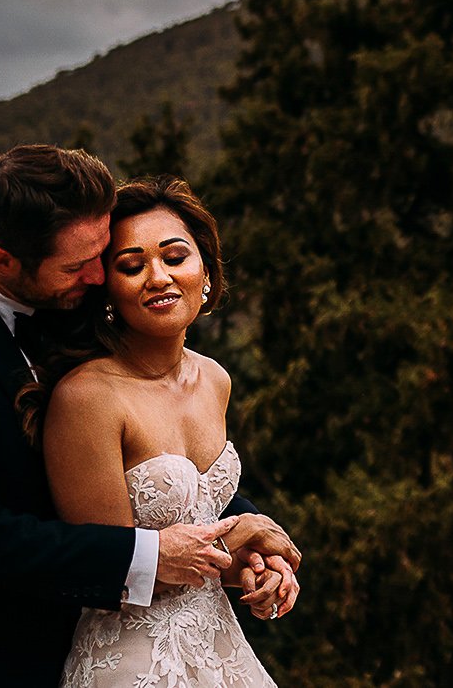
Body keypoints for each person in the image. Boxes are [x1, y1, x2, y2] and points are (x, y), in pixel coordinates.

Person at [0, 145, 299, 688]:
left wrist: (241, 528)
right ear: (3, 262)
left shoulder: (82, 305)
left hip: (101, 644)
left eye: (103, 257)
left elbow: (153, 465)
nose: (98, 278)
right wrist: (151, 555)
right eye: (80, 266)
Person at [32, 174, 298, 687]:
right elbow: (106, 573)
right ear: (108, 289)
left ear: (206, 272)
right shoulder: (87, 398)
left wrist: (256, 565)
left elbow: (199, 529)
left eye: (175, 258)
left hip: (218, 646)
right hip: (134, 658)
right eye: (132, 267)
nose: (158, 277)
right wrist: (235, 538)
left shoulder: (214, 379)